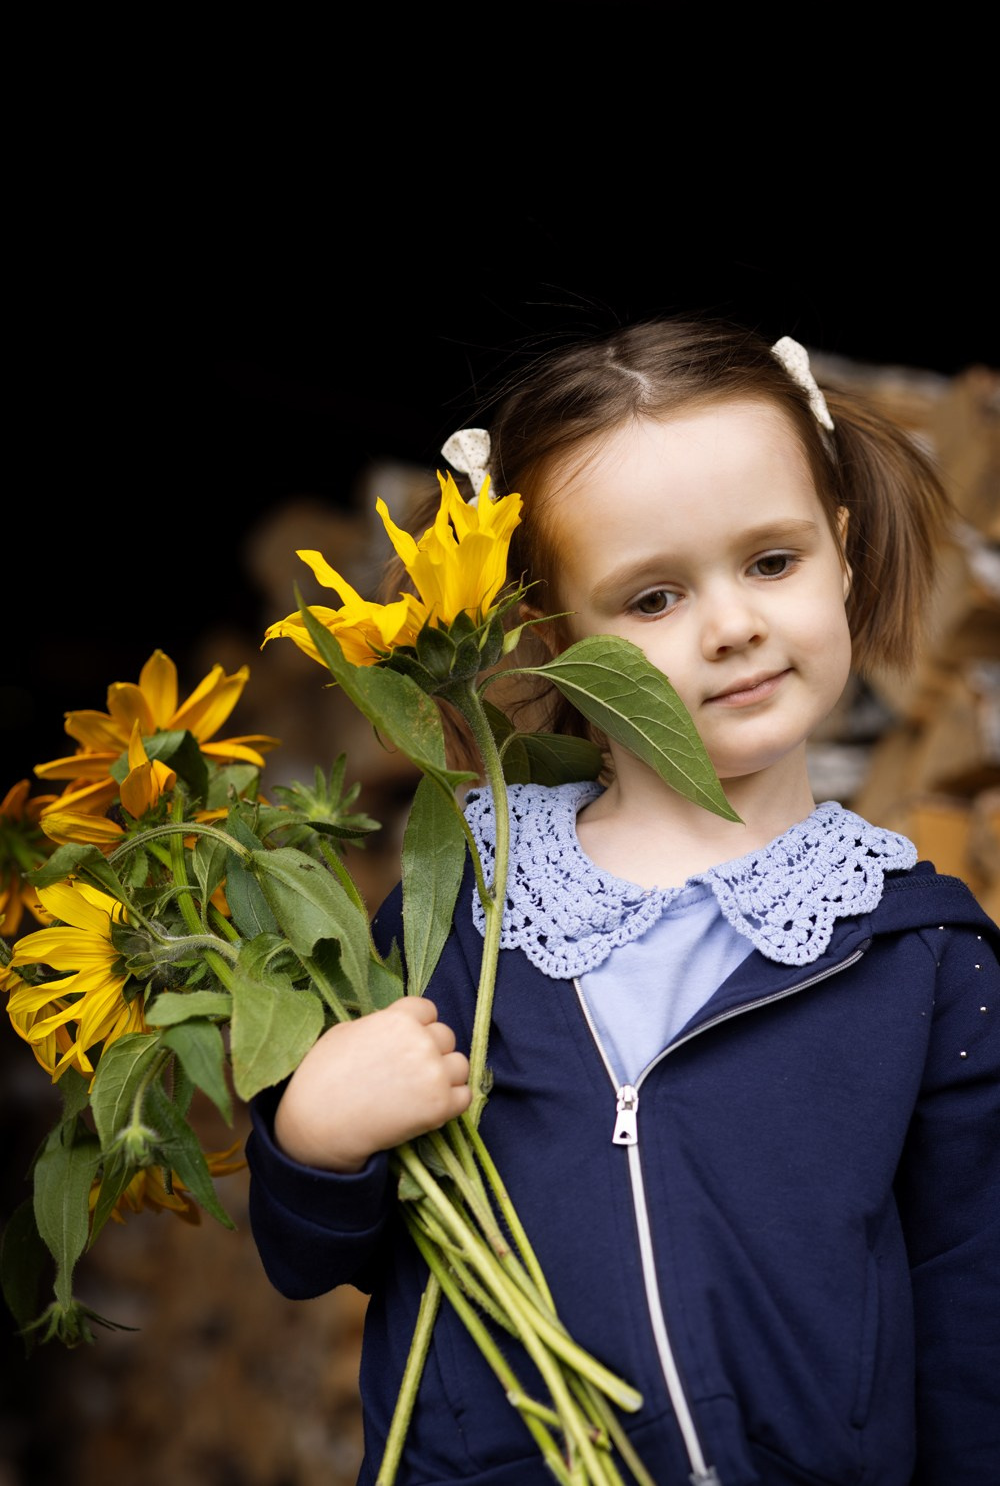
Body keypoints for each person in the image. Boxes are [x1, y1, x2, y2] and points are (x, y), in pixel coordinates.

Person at [245, 316, 1000, 1485]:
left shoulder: (920, 951)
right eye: (651, 599)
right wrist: (315, 1143)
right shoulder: (465, 911)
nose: (732, 624)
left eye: (771, 560)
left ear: (841, 550)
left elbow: (973, 1306)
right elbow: (314, 1257)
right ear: (552, 638)